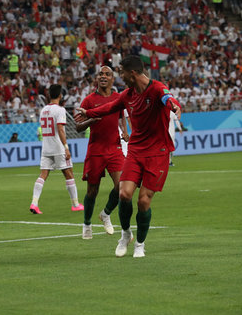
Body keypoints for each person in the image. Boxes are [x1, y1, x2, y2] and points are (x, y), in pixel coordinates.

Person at [75, 55, 181, 258]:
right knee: (124, 194)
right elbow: (109, 108)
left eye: (121, 72)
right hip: (135, 151)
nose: (120, 76)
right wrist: (88, 112)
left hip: (157, 153)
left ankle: (140, 244)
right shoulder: (127, 95)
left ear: (132, 73)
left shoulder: (157, 88)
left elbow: (169, 98)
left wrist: (175, 107)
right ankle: (125, 235)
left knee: (143, 202)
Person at [75, 66, 129, 240]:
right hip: (96, 150)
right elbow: (77, 127)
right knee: (92, 191)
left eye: (107, 74)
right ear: (96, 78)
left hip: (114, 148)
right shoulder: (89, 101)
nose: (103, 76)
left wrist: (125, 131)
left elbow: (121, 115)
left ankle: (106, 213)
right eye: (100, 74)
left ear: (113, 79)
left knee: (122, 186)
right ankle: (87, 224)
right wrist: (92, 119)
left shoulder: (118, 98)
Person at [30, 84, 84, 215]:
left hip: (46, 147)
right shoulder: (60, 110)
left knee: (43, 175)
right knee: (69, 173)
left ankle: (34, 203)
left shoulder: (43, 110)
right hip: (58, 147)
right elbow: (60, 129)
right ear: (60, 95)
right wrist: (66, 147)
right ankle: (75, 204)